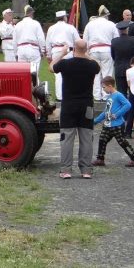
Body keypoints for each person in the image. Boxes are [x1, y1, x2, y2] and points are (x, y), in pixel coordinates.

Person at [51, 39, 100, 178]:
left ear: (73, 49)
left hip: (69, 105)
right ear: (86, 50)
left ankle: (66, 169)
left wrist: (62, 53)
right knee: (86, 138)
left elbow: (51, 67)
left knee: (66, 138)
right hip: (87, 105)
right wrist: (87, 54)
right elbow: (98, 66)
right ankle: (86, 170)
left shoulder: (66, 63)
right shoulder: (91, 65)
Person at [92, 76, 134, 167]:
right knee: (102, 140)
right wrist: (95, 121)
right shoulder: (110, 97)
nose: (103, 89)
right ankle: (100, 159)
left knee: (122, 142)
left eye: (104, 87)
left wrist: (117, 114)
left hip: (117, 125)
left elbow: (128, 105)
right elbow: (105, 112)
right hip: (108, 125)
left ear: (110, 86)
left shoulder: (118, 95)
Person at [83, 5, 118, 101]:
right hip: (107, 50)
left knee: (95, 74)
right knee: (107, 73)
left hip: (93, 51)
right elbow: (115, 40)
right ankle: (106, 95)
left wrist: (86, 53)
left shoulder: (90, 25)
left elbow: (85, 40)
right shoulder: (111, 24)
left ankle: (97, 96)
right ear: (106, 15)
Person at [46, 10, 80, 101]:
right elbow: (77, 41)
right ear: (64, 17)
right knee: (69, 73)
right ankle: (68, 94)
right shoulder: (70, 27)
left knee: (58, 75)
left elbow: (48, 43)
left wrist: (49, 55)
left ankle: (59, 96)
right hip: (68, 51)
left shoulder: (51, 28)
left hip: (55, 51)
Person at [111, 20, 134, 98]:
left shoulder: (114, 41)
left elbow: (113, 56)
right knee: (132, 90)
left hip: (119, 68)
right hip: (131, 69)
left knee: (121, 92)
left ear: (118, 30)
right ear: (127, 29)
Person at [14, 5, 46, 74]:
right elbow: (41, 38)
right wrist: (43, 50)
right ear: (31, 13)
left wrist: (15, 53)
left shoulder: (18, 25)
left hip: (21, 50)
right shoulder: (36, 23)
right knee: (34, 74)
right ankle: (34, 84)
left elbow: (14, 41)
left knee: (23, 73)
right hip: (33, 49)